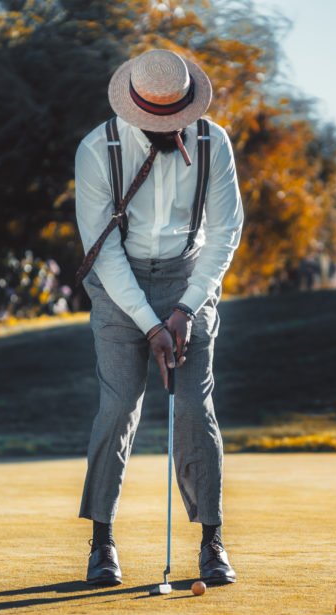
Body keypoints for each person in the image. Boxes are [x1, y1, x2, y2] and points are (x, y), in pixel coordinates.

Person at [73, 49, 243, 587]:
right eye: (157, 121)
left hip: (188, 278)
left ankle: (211, 540)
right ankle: (102, 542)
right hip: (118, 284)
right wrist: (151, 324)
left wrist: (187, 309)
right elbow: (103, 253)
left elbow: (224, 235)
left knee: (194, 404)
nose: (170, 129)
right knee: (120, 403)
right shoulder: (98, 149)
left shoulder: (215, 144)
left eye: (177, 118)